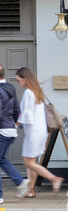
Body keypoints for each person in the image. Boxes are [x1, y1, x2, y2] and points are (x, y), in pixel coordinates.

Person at [15, 67, 64, 197]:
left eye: (19, 80)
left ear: (25, 79)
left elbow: (27, 114)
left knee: (28, 162)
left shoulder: (28, 93)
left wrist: (16, 124)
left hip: (33, 132)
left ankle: (54, 179)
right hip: (41, 131)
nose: (19, 83)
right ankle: (30, 190)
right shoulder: (38, 92)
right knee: (32, 163)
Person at [0, 65, 30, 203]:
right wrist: (16, 124)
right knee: (2, 159)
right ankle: (20, 182)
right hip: (10, 130)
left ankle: (0, 195)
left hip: (2, 129)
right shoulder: (10, 87)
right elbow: (17, 108)